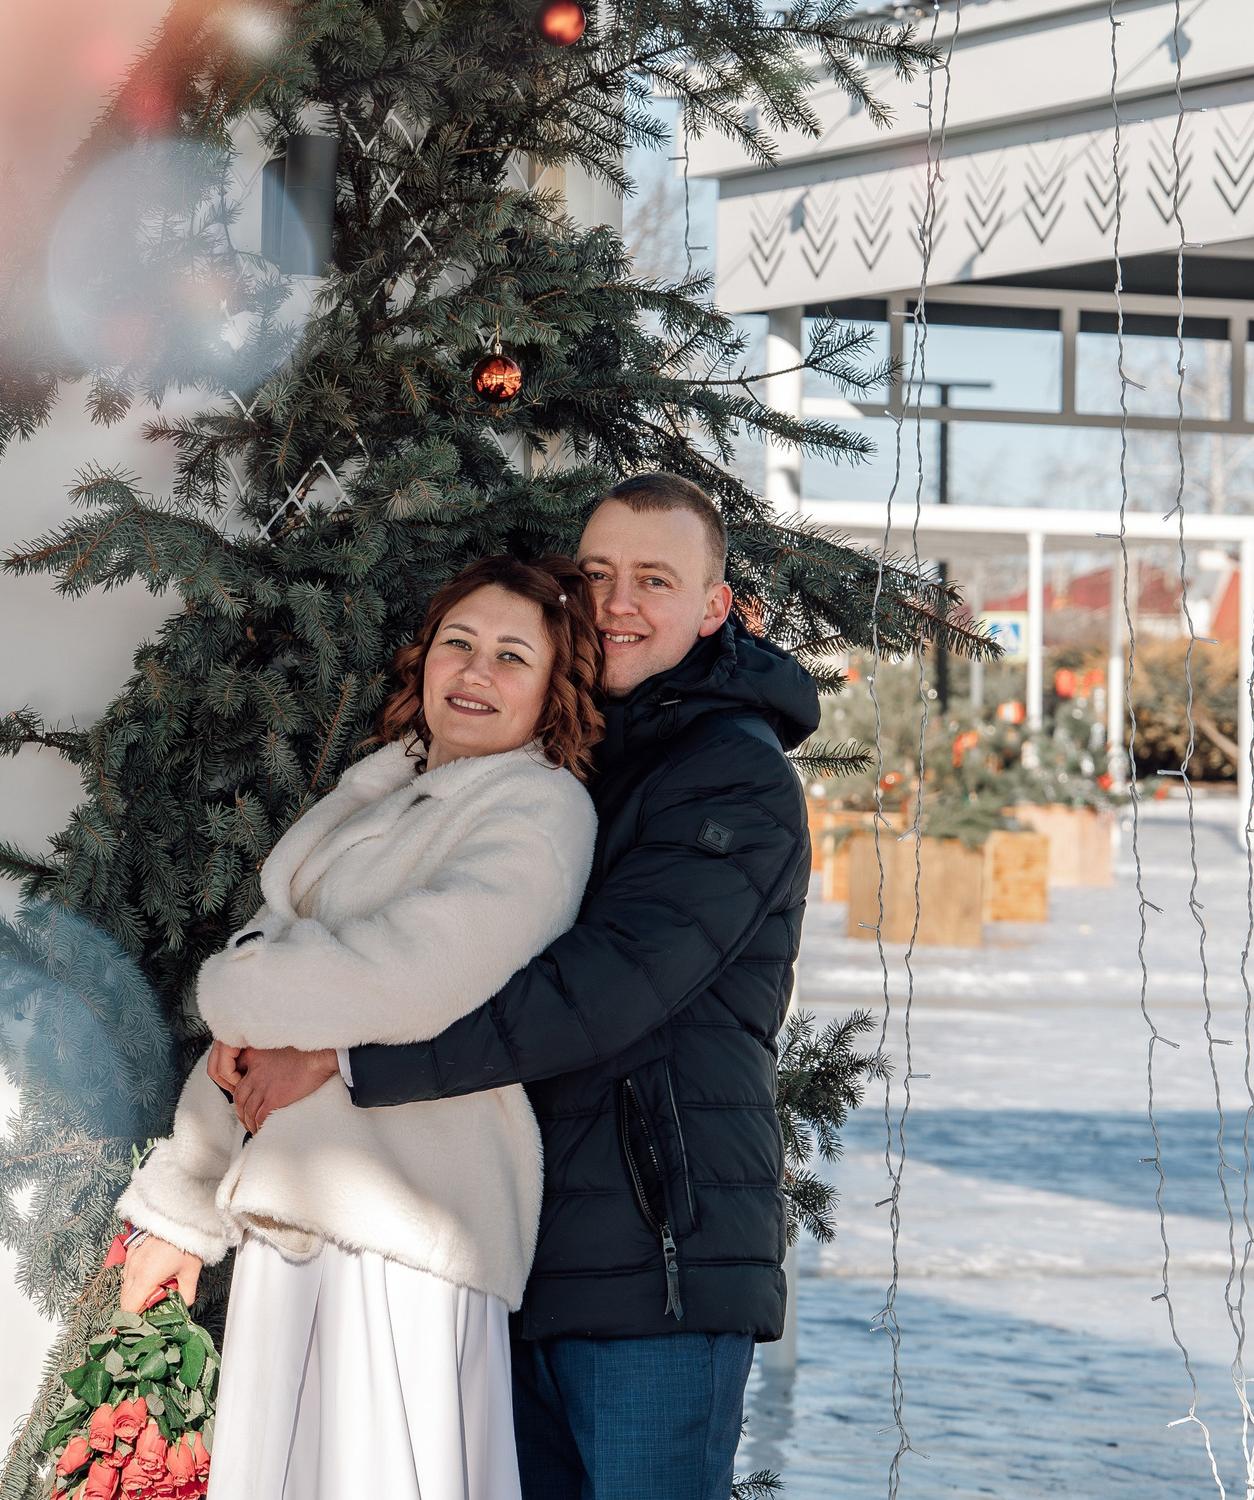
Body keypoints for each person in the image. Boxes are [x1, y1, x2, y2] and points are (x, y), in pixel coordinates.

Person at [229, 473, 816, 1500]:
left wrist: (350, 1061)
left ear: (713, 606)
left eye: (654, 580)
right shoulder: (562, 754)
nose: (618, 604)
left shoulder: (732, 775)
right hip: (520, 1252)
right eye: (596, 575)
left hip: (652, 1262)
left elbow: (605, 990)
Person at [112, 553, 609, 1500]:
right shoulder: (376, 795)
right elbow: (252, 1053)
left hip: (407, 1223)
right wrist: (183, 1210)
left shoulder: (539, 809)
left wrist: (250, 986)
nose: (475, 671)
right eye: (458, 643)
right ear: (423, 660)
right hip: (296, 1217)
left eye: (512, 657)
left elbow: (418, 970)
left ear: (551, 694)